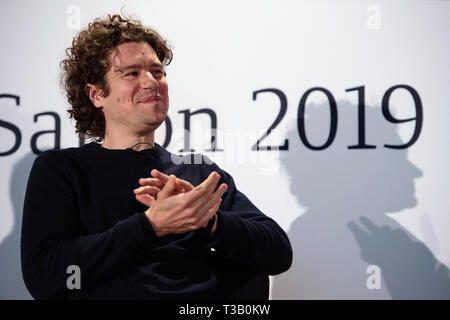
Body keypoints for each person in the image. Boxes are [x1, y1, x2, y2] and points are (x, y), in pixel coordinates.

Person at [20, 13, 292, 300]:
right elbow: (46, 276)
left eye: (157, 72)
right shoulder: (63, 170)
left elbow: (278, 255)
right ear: (96, 94)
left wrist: (209, 220)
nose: (151, 82)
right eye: (132, 73)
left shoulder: (197, 171)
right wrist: (149, 226)